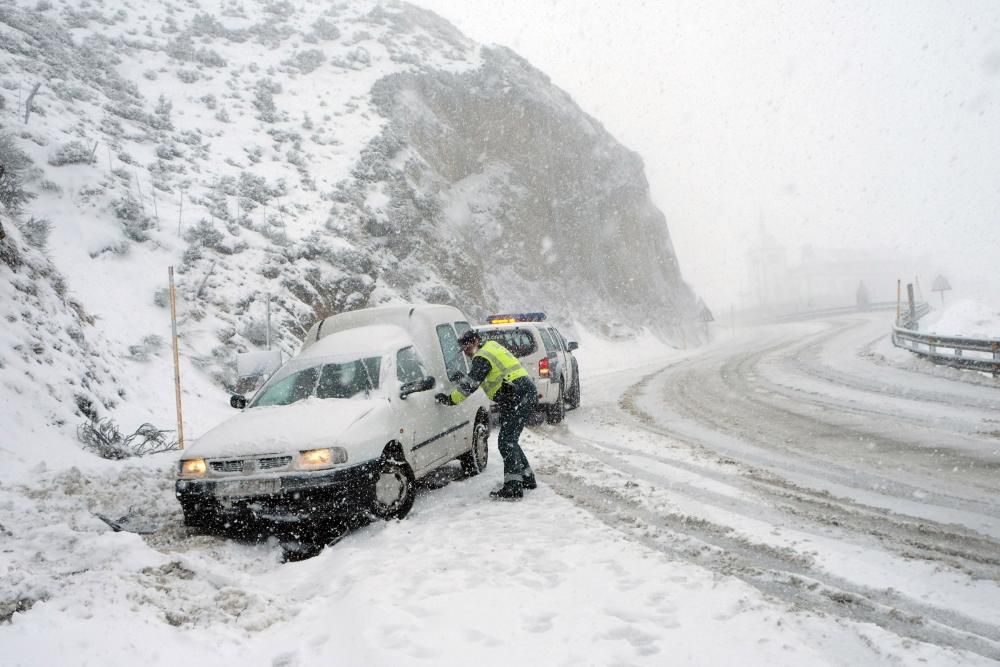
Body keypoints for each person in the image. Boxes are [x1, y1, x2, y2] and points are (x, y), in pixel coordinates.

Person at [436, 329, 537, 500]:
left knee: (506, 442)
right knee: (509, 439)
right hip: (517, 394)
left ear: (475, 341)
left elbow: (471, 384)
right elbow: (486, 375)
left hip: (518, 394)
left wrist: (450, 399)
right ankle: (526, 477)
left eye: (467, 347)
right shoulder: (491, 347)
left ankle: (513, 487)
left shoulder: (482, 356)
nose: (466, 352)